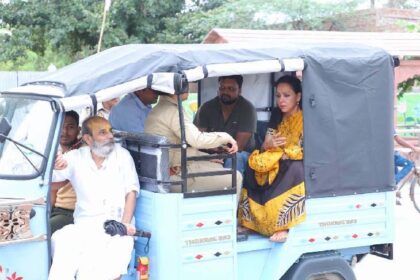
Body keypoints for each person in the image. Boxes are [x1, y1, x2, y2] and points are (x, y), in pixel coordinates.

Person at [48, 116, 139, 280]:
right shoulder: (75, 157)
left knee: (99, 268)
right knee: (61, 240)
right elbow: (52, 179)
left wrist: (125, 225)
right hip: (84, 227)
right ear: (87, 139)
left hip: (116, 228)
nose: (110, 136)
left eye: (110, 131)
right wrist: (55, 165)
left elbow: (131, 192)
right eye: (102, 133)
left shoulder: (123, 156)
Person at [238, 75, 305, 243]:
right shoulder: (277, 115)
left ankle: (283, 226)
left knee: (291, 168)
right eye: (278, 96)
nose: (281, 100)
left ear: (298, 97)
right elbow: (266, 145)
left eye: (286, 95)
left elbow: (306, 148)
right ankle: (251, 222)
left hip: (296, 160)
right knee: (252, 166)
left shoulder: (306, 117)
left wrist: (284, 154)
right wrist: (268, 146)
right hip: (275, 158)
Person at [144, 91, 243, 196]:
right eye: (185, 84)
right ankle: (230, 212)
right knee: (236, 177)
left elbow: (177, 147)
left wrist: (206, 157)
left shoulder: (159, 109)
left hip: (164, 171)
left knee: (217, 166)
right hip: (174, 176)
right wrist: (225, 137)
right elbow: (197, 140)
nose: (187, 88)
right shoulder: (173, 111)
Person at [194, 75, 257, 175]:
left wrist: (218, 153)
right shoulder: (206, 108)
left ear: (239, 90)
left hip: (241, 154)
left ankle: (231, 190)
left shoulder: (247, 109)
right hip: (212, 153)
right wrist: (212, 155)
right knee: (193, 156)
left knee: (235, 158)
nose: (225, 92)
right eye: (222, 88)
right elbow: (197, 139)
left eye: (231, 89)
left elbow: (238, 146)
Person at [50, 110, 82, 234]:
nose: (64, 132)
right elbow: (53, 192)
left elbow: (58, 183)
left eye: (70, 127)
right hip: (55, 209)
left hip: (70, 212)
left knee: (43, 230)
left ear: (78, 130)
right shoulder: (54, 149)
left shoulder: (80, 152)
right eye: (61, 127)